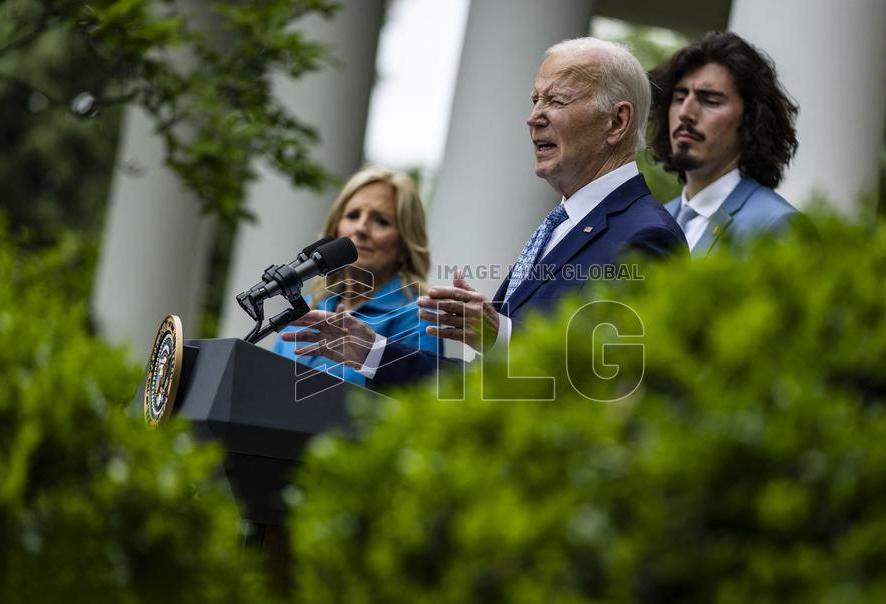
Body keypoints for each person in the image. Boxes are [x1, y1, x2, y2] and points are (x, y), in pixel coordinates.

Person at [282, 37, 687, 388]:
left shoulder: (646, 236)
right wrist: (372, 352)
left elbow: (614, 384)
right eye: (535, 100)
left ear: (616, 121)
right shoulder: (562, 225)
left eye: (557, 100)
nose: (533, 117)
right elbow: (487, 387)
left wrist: (501, 335)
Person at [271, 167, 440, 386]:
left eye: (381, 221)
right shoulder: (306, 309)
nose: (360, 228)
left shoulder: (419, 317)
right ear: (335, 230)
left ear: (405, 245)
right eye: (352, 216)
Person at [649, 31, 800, 256]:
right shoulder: (655, 222)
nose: (685, 113)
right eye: (679, 98)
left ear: (751, 119)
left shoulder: (778, 226)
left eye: (710, 101)